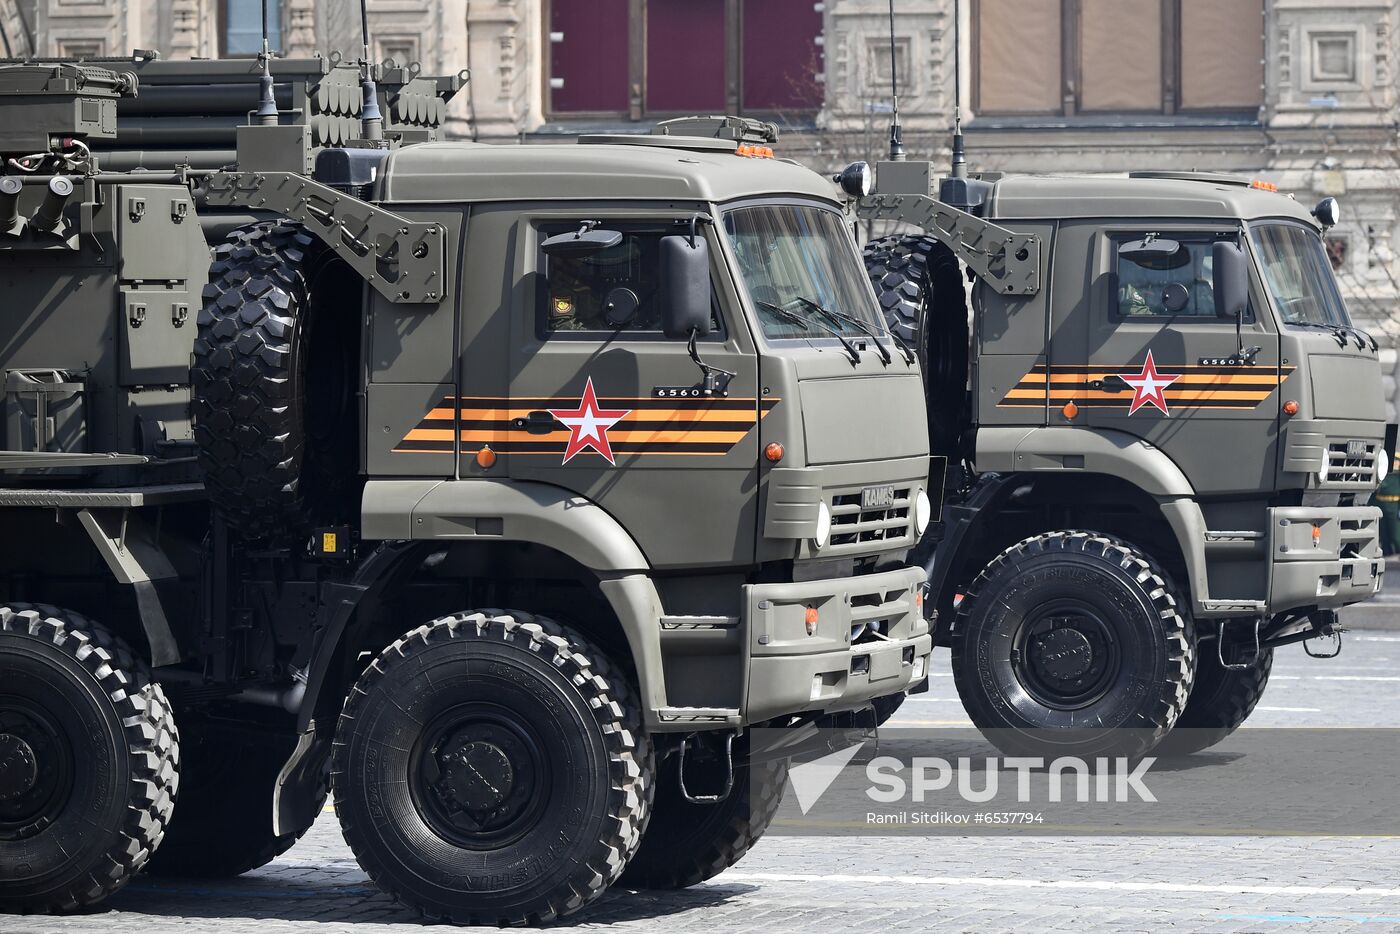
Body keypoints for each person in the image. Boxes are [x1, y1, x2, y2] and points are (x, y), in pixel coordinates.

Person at [1375, 452, 1400, 556]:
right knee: (1383, 535)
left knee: (1396, 536)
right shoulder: (1380, 458)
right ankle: (1387, 554)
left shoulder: (1397, 457)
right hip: (1380, 503)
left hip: (1394, 504)